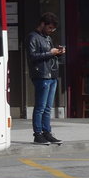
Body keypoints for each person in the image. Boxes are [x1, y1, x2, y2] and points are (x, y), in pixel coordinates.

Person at [26, 12, 65, 145]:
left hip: (52, 74)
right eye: (49, 28)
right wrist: (50, 53)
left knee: (48, 107)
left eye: (53, 29)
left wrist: (57, 53)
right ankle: (38, 134)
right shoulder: (33, 37)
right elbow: (32, 57)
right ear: (42, 24)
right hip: (41, 75)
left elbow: (49, 55)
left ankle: (47, 132)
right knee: (40, 107)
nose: (51, 31)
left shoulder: (47, 38)